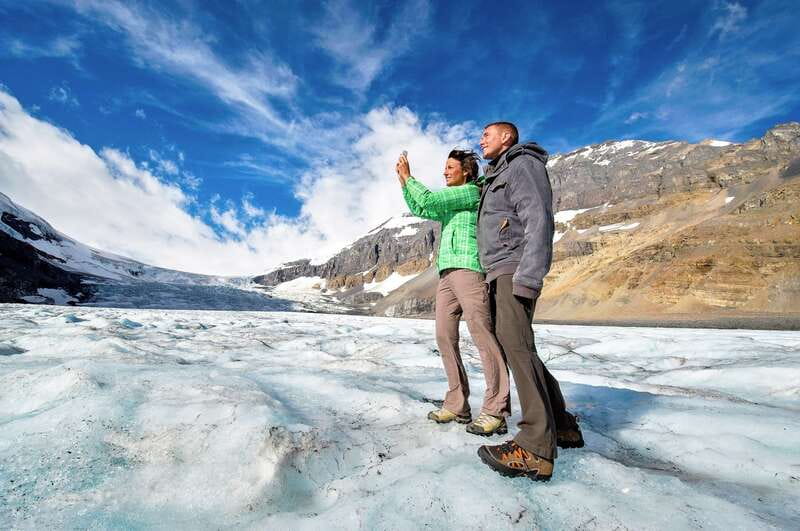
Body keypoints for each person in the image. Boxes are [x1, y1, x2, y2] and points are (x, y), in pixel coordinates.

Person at [474, 122, 584, 481]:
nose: (481, 140)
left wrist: (529, 275)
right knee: (520, 347)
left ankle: (536, 446)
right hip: (499, 270)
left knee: (517, 348)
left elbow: (538, 219)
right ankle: (562, 424)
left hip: (513, 268)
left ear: (507, 137)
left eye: (486, 134)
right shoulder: (497, 173)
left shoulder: (522, 164)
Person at [396, 149, 510, 436]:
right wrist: (403, 182)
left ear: (466, 171)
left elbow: (430, 199)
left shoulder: (470, 192)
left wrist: (410, 177)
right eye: (444, 168)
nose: (445, 172)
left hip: (469, 269)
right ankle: (458, 404)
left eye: (449, 167)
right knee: (444, 336)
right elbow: (421, 208)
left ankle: (496, 409)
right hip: (446, 273)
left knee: (483, 336)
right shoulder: (454, 199)